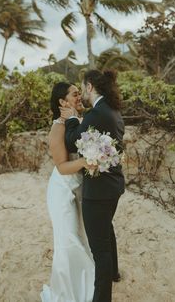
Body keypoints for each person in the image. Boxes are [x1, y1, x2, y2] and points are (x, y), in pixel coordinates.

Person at [60, 69, 125, 302]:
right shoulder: (112, 108)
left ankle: (102, 298)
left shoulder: (97, 113)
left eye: (82, 88)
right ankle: (115, 273)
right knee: (106, 229)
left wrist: (69, 119)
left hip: (99, 190)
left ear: (89, 86)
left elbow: (72, 141)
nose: (81, 95)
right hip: (114, 184)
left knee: (100, 248)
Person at [40, 82, 95, 302]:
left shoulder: (78, 121)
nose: (79, 97)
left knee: (83, 239)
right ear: (62, 102)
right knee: (68, 241)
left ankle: (88, 287)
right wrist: (87, 160)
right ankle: (67, 294)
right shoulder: (57, 129)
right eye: (74, 95)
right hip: (62, 191)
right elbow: (62, 167)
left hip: (79, 189)